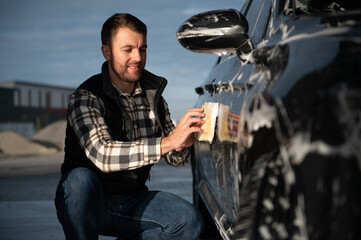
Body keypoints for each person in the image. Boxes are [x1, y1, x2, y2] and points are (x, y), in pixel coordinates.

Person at [55, 13, 205, 240]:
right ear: (107, 52)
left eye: (142, 49)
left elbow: (175, 158)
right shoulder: (86, 96)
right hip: (90, 203)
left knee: (188, 222)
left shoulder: (153, 96)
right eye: (128, 50)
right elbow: (103, 154)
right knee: (78, 180)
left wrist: (182, 142)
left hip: (132, 200)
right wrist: (168, 142)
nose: (137, 57)